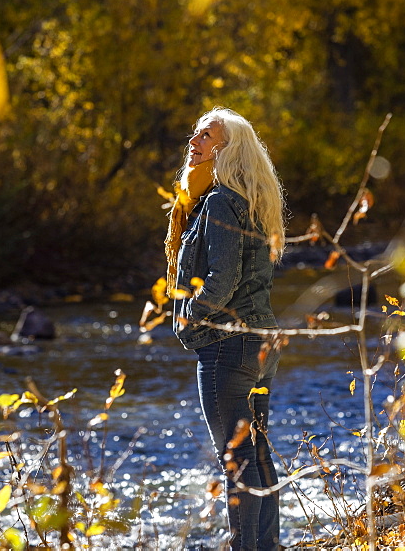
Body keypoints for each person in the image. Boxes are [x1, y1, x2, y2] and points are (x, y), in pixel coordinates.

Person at [164, 107, 286, 550]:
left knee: (236, 458)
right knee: (256, 453)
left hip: (228, 347)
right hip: (260, 344)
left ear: (228, 150)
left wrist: (188, 319)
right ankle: (267, 545)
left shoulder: (219, 201)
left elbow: (222, 279)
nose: (194, 142)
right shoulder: (248, 199)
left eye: (206, 136)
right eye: (193, 134)